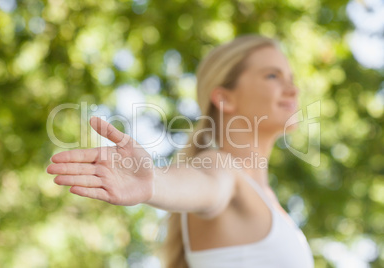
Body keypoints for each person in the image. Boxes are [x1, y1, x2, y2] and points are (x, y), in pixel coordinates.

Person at [47, 34, 315, 268]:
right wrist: (154, 180)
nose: (293, 89)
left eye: (291, 78)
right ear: (224, 98)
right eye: (272, 76)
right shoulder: (220, 167)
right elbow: (206, 182)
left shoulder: (270, 203)